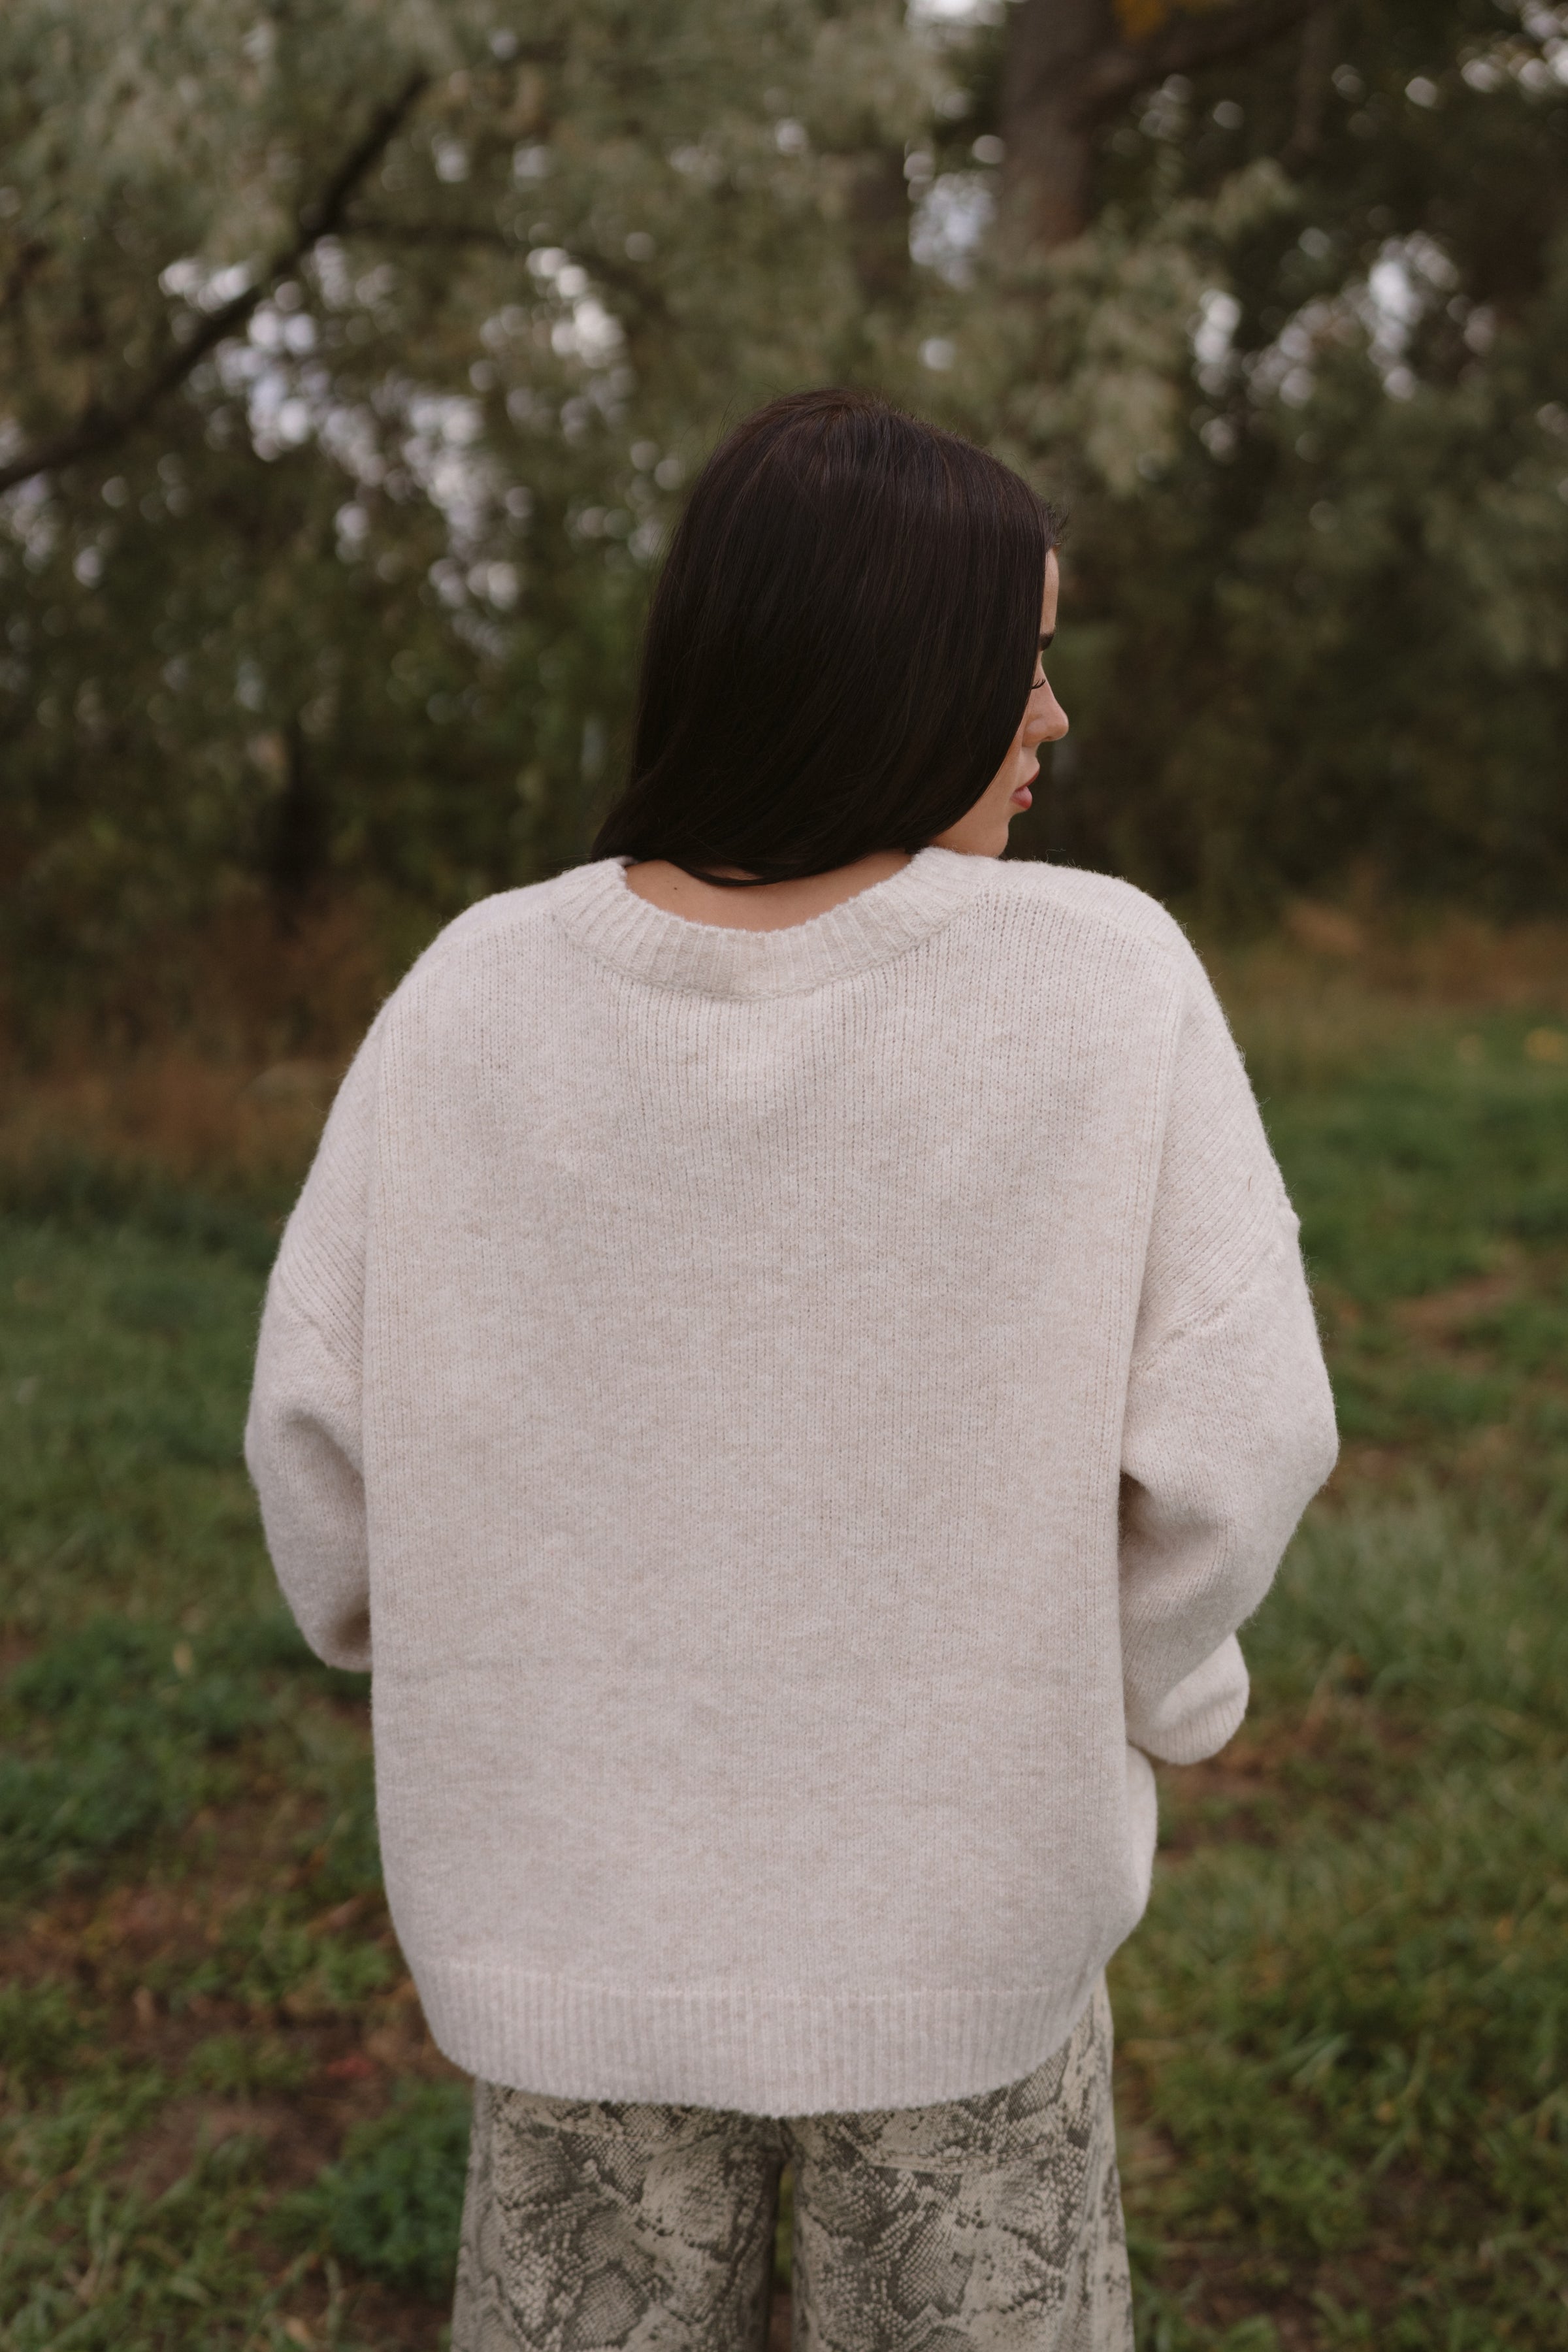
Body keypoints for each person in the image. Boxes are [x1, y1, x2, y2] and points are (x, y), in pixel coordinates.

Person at [245, 387, 1337, 2351]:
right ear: (892, 664)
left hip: (566, 1963)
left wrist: (507, 1689)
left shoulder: (472, 993)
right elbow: (1235, 1450)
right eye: (1022, 658)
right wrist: (1153, 1694)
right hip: (968, 1962)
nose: (1054, 717)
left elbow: (319, 1464)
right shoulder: (1105, 984)